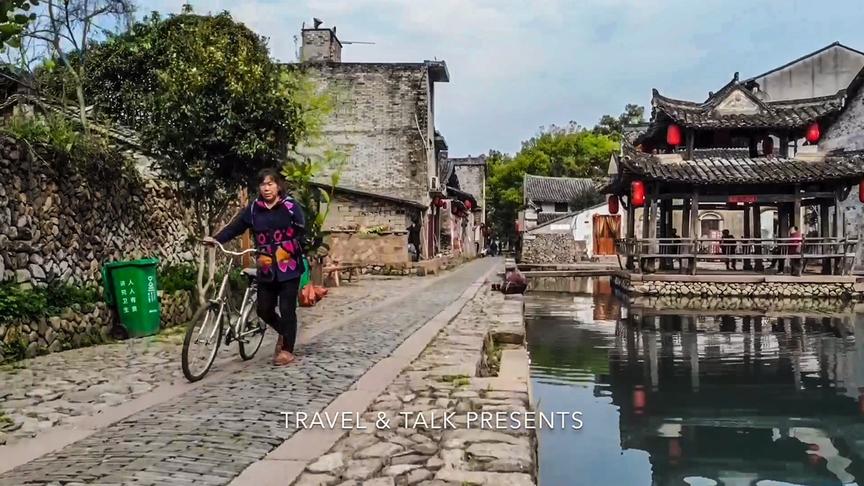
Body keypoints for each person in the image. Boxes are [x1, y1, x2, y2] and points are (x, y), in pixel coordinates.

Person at [204, 168, 306, 366]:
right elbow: (236, 227)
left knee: (287, 309)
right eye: (263, 184)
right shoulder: (253, 209)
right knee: (263, 310)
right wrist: (215, 240)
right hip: (266, 268)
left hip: (289, 268)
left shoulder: (290, 206)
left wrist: (285, 252)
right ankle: (285, 332)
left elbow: (303, 234)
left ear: (278, 186)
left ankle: (287, 350)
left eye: (270, 184)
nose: (266, 188)